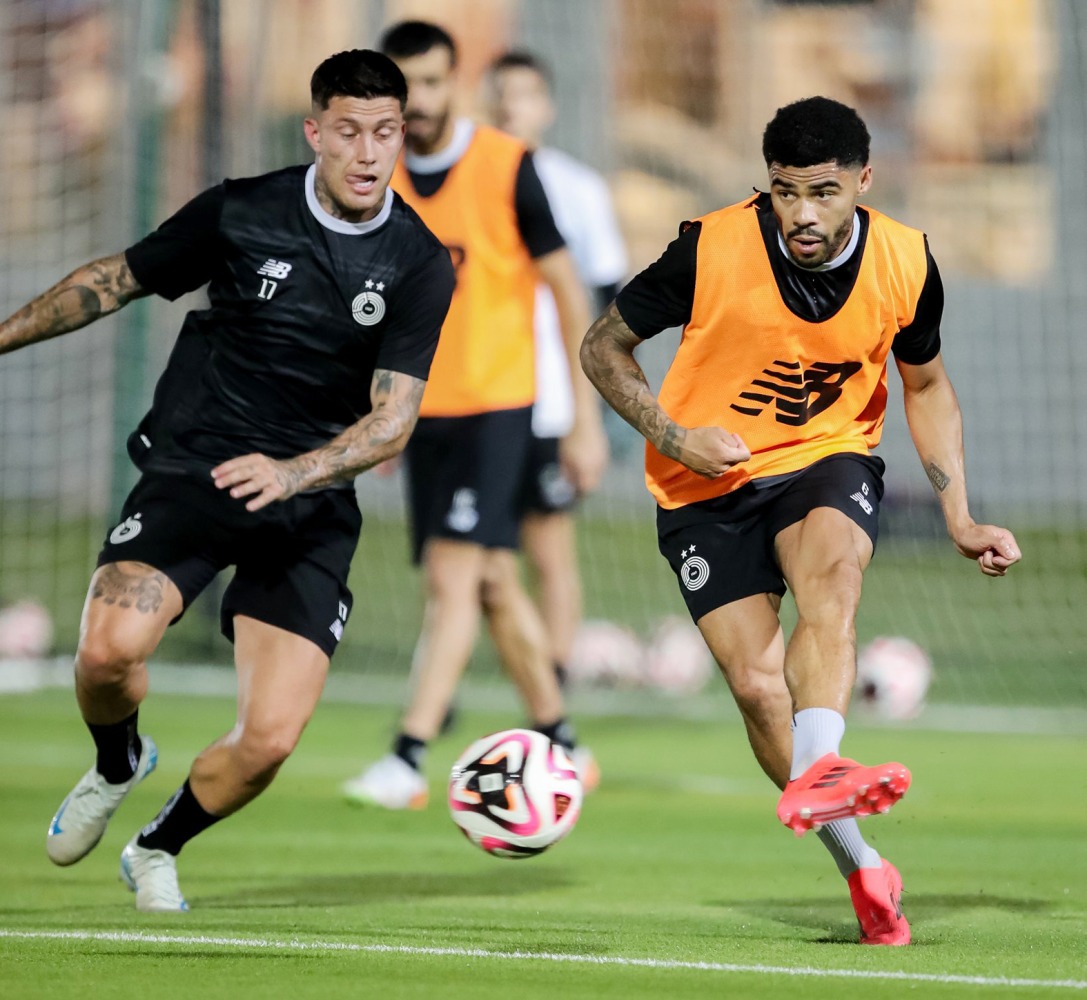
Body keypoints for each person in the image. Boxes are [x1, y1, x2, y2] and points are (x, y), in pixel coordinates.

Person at [0, 49, 455, 912]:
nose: (367, 153)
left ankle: (155, 847)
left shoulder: (419, 262)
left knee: (270, 740)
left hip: (308, 502)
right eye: (348, 132)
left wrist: (293, 474)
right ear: (313, 132)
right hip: (196, 470)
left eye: (385, 132)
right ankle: (117, 763)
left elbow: (392, 420)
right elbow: (114, 281)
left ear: (403, 135)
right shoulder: (243, 209)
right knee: (106, 654)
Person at [580, 96, 1021, 946]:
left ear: (863, 180)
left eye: (823, 191)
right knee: (756, 687)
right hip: (704, 484)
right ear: (767, 186)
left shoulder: (904, 260)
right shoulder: (710, 248)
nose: (803, 214)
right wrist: (673, 436)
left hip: (825, 456)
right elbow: (601, 346)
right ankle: (862, 866)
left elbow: (926, 385)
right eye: (785, 192)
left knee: (832, 579)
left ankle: (820, 765)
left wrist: (959, 515)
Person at [341, 22, 607, 810]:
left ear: (455, 82)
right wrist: (380, 411)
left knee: (453, 575)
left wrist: (585, 419)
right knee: (490, 579)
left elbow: (569, 295)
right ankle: (561, 739)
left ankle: (407, 755)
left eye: (431, 82)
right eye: (404, 86)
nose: (419, 100)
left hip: (500, 406)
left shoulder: (507, 166)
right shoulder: (376, 179)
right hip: (423, 411)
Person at [487, 50, 628, 690]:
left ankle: (555, 688)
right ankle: (514, 682)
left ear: (546, 106)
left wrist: (591, 413)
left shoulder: (577, 189)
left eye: (522, 93)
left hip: (551, 400)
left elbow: (607, 307)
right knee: (474, 561)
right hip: (478, 396)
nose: (508, 105)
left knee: (548, 549)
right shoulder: (465, 181)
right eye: (498, 92)